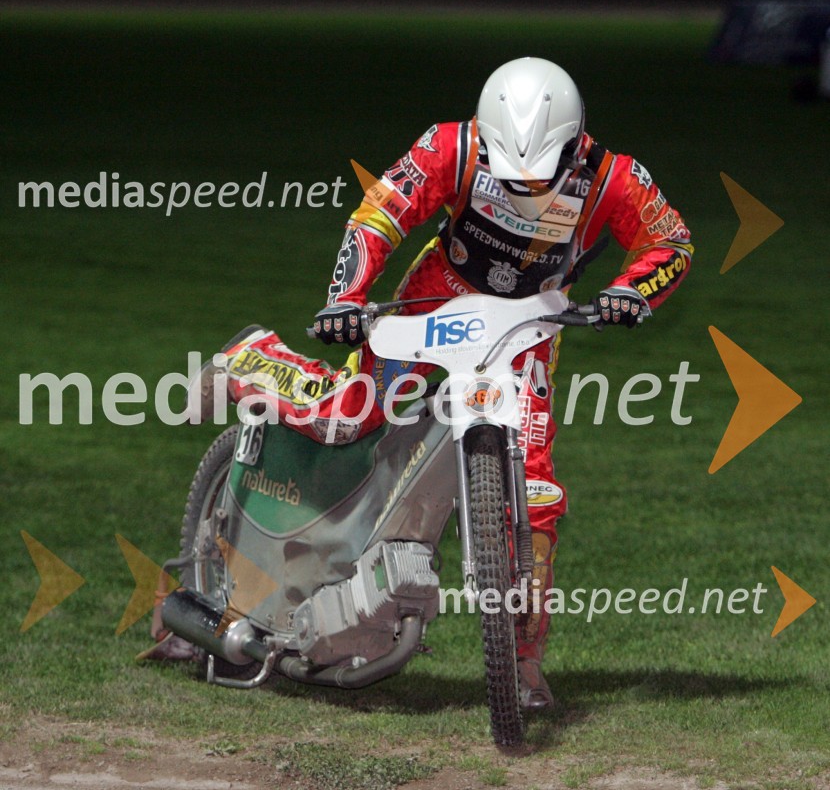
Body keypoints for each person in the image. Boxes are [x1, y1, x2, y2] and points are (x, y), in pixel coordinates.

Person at [144, 57, 692, 710]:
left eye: (540, 177)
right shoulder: (449, 145)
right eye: (507, 172)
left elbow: (672, 242)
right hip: (434, 301)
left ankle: (523, 662)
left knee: (538, 494)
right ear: (486, 138)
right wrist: (346, 296)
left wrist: (631, 291)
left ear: (576, 144)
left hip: (531, 326)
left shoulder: (616, 178)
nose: (523, 190)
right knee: (353, 416)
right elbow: (378, 218)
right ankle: (255, 360)